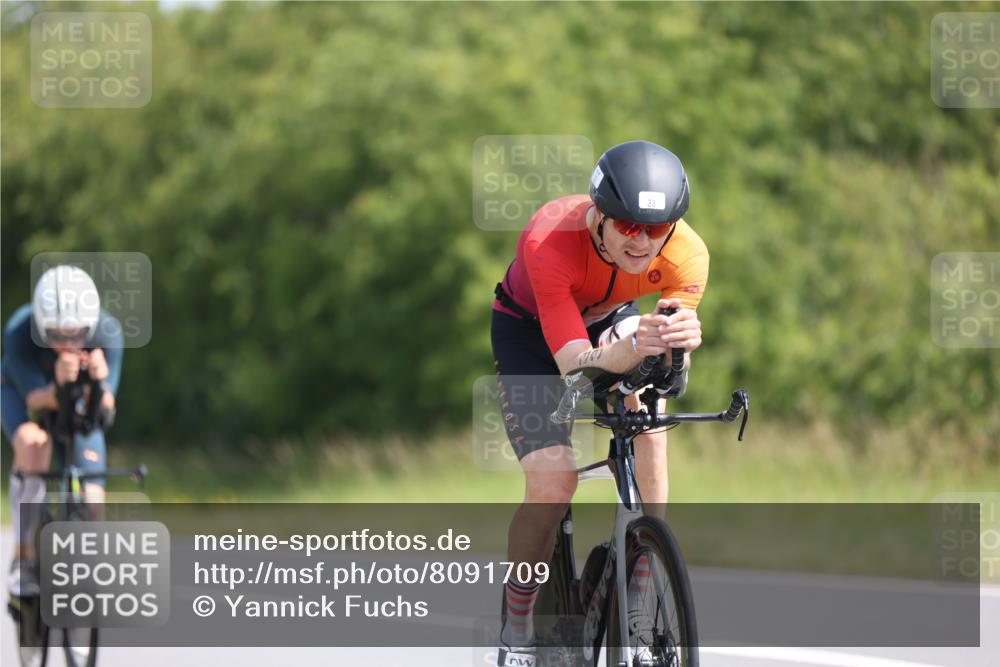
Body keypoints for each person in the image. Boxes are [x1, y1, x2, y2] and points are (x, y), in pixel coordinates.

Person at [491, 141, 709, 666]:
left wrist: (677, 354)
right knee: (553, 481)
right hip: (534, 337)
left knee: (650, 428)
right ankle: (516, 627)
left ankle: (640, 576)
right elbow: (574, 362)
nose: (643, 242)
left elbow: (665, 367)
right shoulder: (551, 239)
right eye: (629, 227)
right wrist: (632, 349)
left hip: (610, 319)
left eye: (656, 229)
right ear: (600, 216)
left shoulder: (688, 254)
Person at [2, 265, 123, 616]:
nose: (69, 344)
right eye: (57, 335)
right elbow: (36, 401)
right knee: (33, 445)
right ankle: (22, 557)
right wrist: (58, 383)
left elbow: (106, 413)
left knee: (92, 495)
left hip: (79, 407)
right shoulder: (19, 331)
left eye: (79, 335)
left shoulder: (108, 332)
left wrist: (99, 384)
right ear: (41, 327)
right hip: (24, 394)